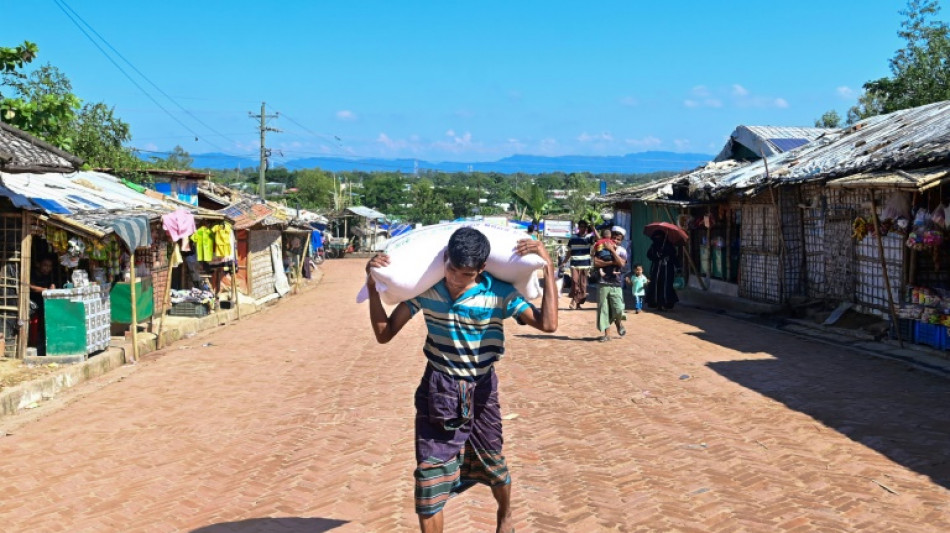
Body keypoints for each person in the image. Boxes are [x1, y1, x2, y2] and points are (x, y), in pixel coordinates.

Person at [365, 226, 558, 533]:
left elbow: (548, 324)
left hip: (482, 392)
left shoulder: (499, 295)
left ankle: (505, 513)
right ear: (445, 260)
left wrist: (548, 267)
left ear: (481, 269)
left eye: (465, 274)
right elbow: (384, 334)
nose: (455, 279)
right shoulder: (427, 291)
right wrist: (372, 285)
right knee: (428, 480)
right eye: (452, 269)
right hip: (438, 391)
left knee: (494, 466)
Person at [593, 226, 627, 342]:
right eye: (614, 238)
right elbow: (596, 263)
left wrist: (612, 251)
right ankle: (607, 334)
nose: (616, 241)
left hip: (616, 283)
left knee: (618, 308)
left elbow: (622, 264)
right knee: (604, 309)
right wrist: (612, 262)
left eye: (618, 239)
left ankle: (618, 322)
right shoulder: (601, 248)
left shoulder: (622, 250)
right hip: (603, 282)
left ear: (621, 241)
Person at [646, 230, 680, 310]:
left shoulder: (669, 246)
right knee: (656, 284)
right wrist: (657, 255)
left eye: (660, 237)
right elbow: (649, 255)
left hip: (667, 269)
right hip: (656, 269)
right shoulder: (653, 246)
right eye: (656, 237)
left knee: (666, 285)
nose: (658, 239)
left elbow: (674, 257)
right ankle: (656, 303)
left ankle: (665, 303)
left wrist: (678, 266)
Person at [565, 220, 595, 309]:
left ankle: (577, 303)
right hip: (574, 263)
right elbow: (569, 251)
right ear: (578, 228)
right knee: (574, 282)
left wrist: (593, 228)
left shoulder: (589, 237)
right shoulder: (573, 237)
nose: (582, 228)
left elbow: (599, 238)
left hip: (585, 265)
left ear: (586, 228)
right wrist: (564, 262)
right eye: (581, 226)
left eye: (584, 227)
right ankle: (573, 300)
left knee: (583, 285)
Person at [29, 257, 56, 356]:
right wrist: (46, 290)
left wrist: (52, 287)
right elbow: (30, 287)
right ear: (38, 264)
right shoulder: (32, 274)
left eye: (49, 266)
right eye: (45, 265)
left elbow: (51, 286)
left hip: (42, 302)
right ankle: (33, 343)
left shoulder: (48, 276)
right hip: (31, 303)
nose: (47, 268)